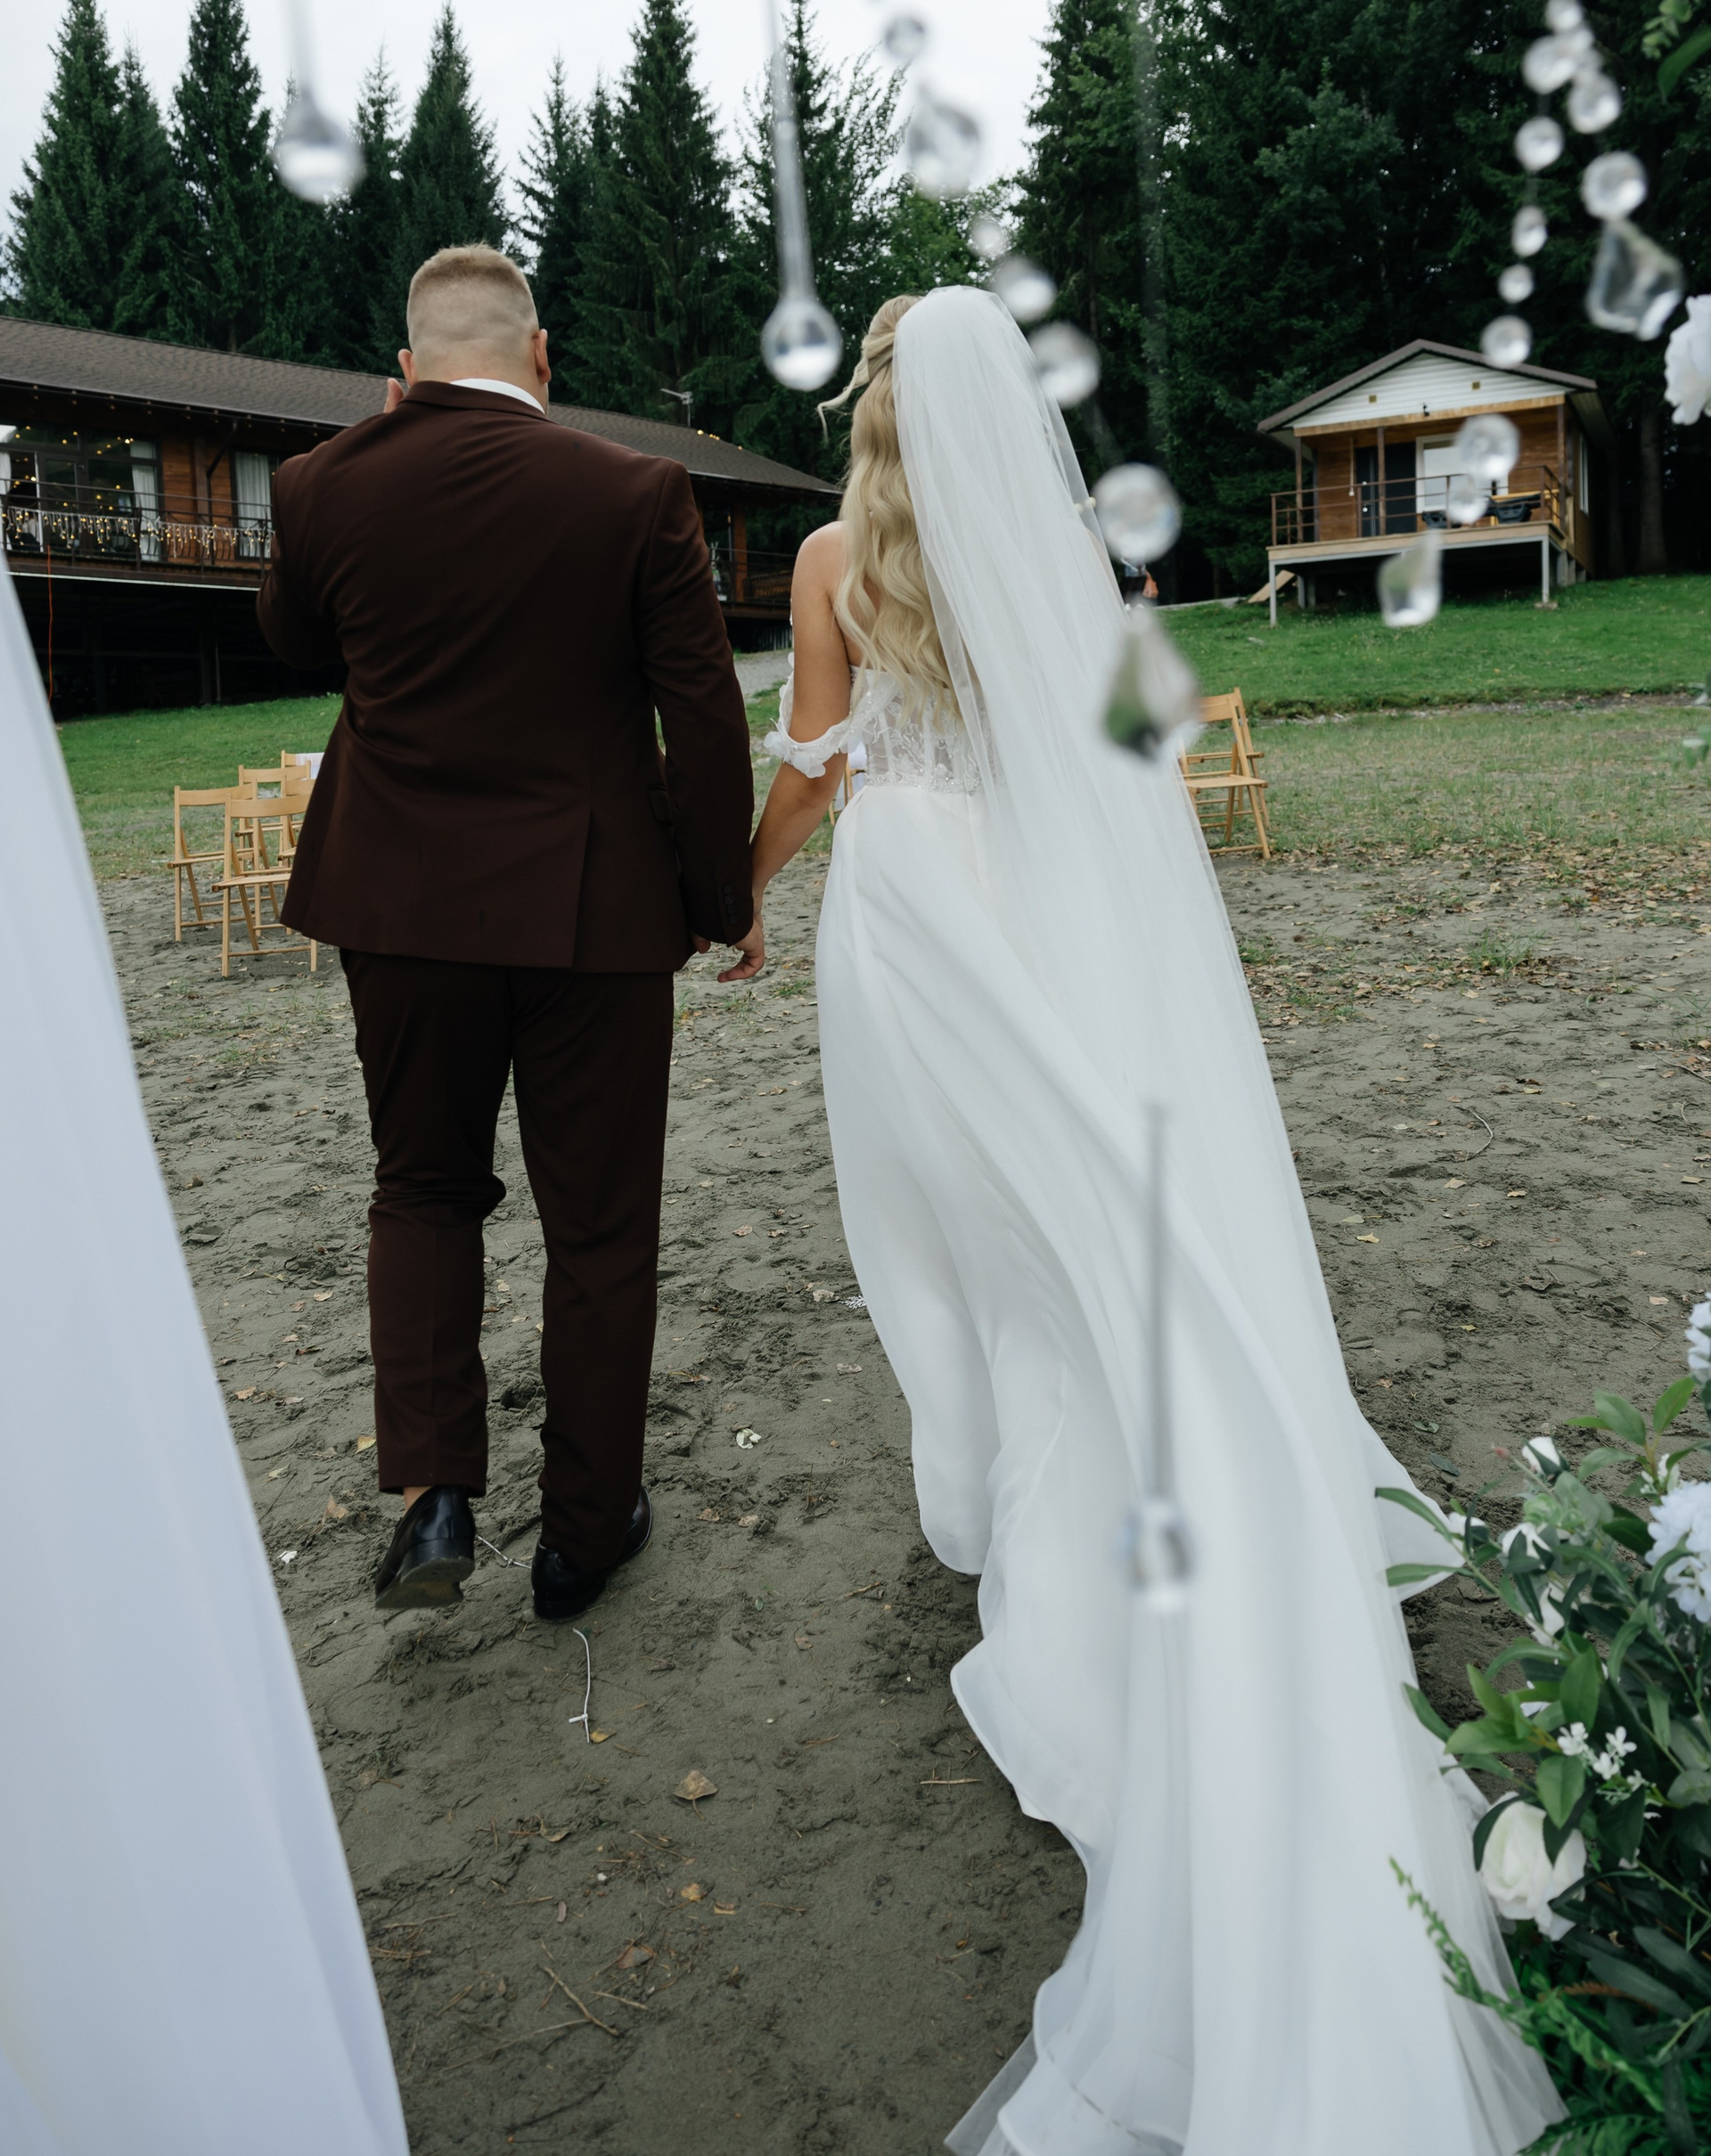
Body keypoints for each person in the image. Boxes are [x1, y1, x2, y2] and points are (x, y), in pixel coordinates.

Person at [734, 288, 1561, 2156]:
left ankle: (1016, 1544)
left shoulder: (829, 566)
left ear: (874, 408)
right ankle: (1059, 1525)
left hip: (903, 938)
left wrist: (744, 891)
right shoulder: (1063, 562)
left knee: (949, 1255)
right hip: (1022, 935)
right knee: (1056, 1263)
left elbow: (809, 770)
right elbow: (1134, 768)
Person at [258, 245, 754, 1623]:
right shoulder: (637, 491)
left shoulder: (319, 486)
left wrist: (366, 461)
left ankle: (436, 1496)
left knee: (422, 1188)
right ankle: (582, 1537)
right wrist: (720, 900)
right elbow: (704, 714)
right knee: (599, 1227)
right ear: (542, 358)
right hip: (595, 915)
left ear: (405, 372)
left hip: (400, 907)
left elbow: (294, 641)